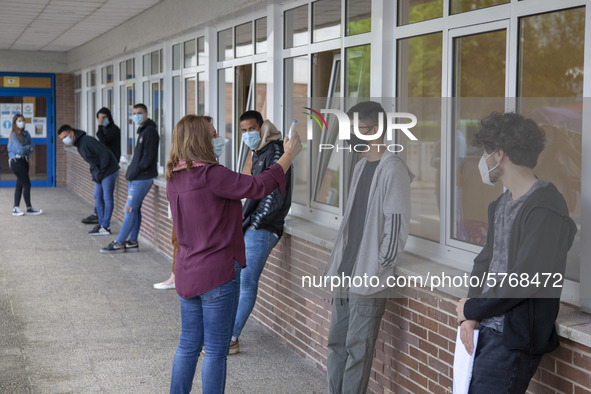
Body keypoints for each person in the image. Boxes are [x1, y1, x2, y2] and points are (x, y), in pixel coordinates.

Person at [166, 114, 301, 394]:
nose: (218, 139)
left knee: (188, 344)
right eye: (213, 135)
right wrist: (287, 156)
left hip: (187, 272)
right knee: (215, 350)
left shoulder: (174, 177)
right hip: (216, 274)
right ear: (200, 140)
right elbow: (259, 186)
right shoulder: (212, 175)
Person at [455, 112, 577, 393]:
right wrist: (471, 314)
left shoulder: (545, 208)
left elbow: (525, 279)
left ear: (499, 154)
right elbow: (483, 263)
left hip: (512, 339)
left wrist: (471, 308)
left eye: (485, 152)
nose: (481, 161)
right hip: (485, 329)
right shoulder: (500, 204)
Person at [324, 101, 412, 394]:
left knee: (357, 352)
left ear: (375, 130)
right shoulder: (361, 166)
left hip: (368, 278)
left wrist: (377, 270)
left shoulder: (393, 169)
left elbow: (396, 230)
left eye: (355, 129)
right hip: (345, 273)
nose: (350, 135)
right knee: (336, 345)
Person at [229, 110, 292, 354]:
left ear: (262, 126)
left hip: (264, 227)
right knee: (238, 280)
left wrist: (257, 222)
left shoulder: (275, 150)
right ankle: (228, 333)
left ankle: (231, 338)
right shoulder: (260, 150)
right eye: (243, 131)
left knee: (247, 282)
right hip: (253, 224)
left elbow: (274, 193)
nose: (248, 135)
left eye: (252, 129)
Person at [101, 103, 159, 253]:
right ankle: (132, 241)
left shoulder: (150, 131)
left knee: (129, 209)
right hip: (136, 177)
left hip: (142, 178)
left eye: (139, 113)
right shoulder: (143, 131)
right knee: (135, 210)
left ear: (146, 114)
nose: (136, 116)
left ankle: (119, 242)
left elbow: (147, 159)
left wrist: (134, 172)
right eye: (134, 113)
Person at [57, 125, 119, 235]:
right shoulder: (79, 144)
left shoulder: (86, 141)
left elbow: (104, 155)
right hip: (100, 171)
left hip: (109, 169)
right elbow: (93, 161)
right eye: (62, 139)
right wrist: (95, 174)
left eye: (65, 137)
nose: (64, 140)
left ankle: (106, 226)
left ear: (72, 133)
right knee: (97, 196)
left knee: (107, 197)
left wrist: (101, 172)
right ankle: (101, 224)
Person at [81, 108, 122, 225]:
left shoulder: (114, 129)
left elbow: (103, 139)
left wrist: (99, 126)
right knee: (98, 194)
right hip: (103, 165)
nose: (102, 121)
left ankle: (103, 220)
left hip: (111, 165)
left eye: (104, 118)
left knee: (106, 195)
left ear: (109, 117)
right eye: (99, 118)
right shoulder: (104, 129)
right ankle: (98, 215)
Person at [8, 114, 42, 216]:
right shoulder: (13, 135)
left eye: (23, 120)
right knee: (27, 184)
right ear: (15, 123)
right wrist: (27, 147)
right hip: (16, 162)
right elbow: (19, 149)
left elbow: (33, 147)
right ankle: (29, 208)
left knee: (20, 185)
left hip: (24, 161)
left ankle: (16, 208)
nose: (21, 122)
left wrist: (26, 148)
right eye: (19, 120)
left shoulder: (26, 133)